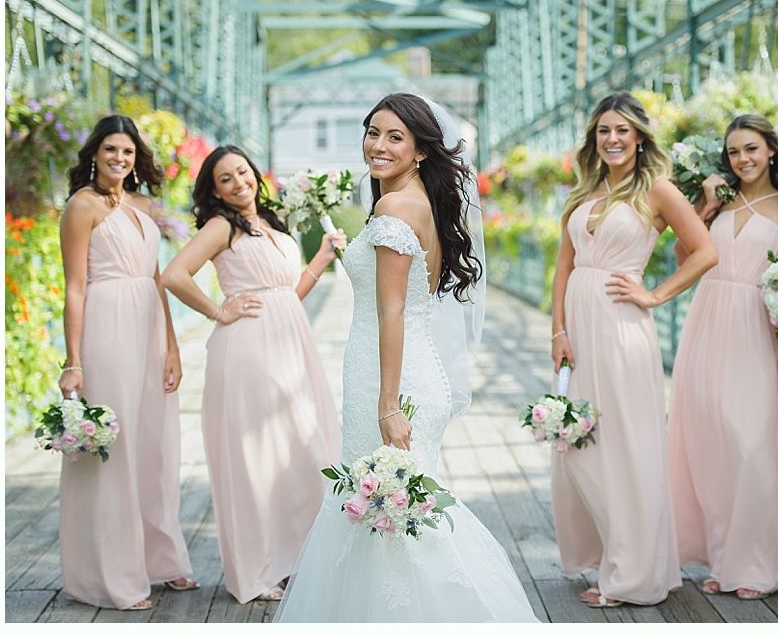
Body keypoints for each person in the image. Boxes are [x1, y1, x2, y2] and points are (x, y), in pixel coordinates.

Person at [274, 93, 538, 622]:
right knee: (389, 510)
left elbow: (392, 312)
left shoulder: (394, 207)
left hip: (391, 381)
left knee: (393, 510)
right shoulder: (419, 201)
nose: (378, 144)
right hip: (406, 369)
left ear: (420, 150)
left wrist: (388, 404)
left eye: (395, 136)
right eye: (373, 132)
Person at [549, 92, 718, 608]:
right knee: (578, 444)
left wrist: (655, 295)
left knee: (625, 447)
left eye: (622, 130)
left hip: (623, 330)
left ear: (640, 137)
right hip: (579, 328)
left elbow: (706, 252)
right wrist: (557, 330)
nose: (613, 139)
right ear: (593, 140)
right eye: (604, 131)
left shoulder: (659, 190)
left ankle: (633, 573)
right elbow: (563, 267)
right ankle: (605, 555)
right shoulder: (584, 193)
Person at [161, 146, 343, 603]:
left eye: (242, 171)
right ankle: (257, 571)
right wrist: (218, 310)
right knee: (258, 459)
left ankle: (298, 557)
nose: (238, 182)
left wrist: (320, 258)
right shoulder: (221, 226)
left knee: (303, 452)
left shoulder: (271, 222)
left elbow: (287, 293)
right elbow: (174, 275)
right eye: (226, 178)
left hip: (290, 345)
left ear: (254, 175)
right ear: (215, 190)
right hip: (250, 351)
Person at [57, 114, 196, 610]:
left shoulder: (141, 205)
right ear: (94, 153)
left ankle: (160, 560)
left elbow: (158, 279)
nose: (120, 158)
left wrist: (173, 345)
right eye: (111, 149)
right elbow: (74, 287)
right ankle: (112, 576)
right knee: (115, 450)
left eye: (129, 152)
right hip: (108, 327)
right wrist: (73, 362)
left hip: (150, 329)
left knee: (155, 445)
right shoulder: (81, 206)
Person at [666, 114, 778, 600]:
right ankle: (724, 557)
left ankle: (758, 564)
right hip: (708, 321)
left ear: (771, 150)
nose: (742, 160)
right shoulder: (718, 202)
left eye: (750, 149)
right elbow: (686, 262)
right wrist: (705, 205)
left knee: (753, 445)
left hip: (756, 327)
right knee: (713, 443)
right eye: (733, 153)